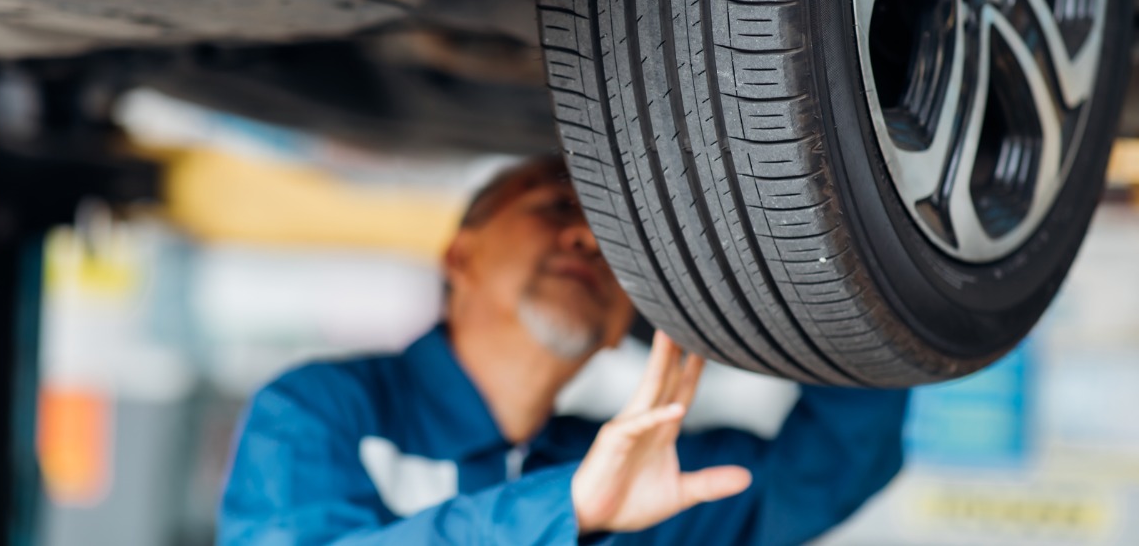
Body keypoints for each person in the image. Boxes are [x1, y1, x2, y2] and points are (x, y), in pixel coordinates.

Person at [218, 155, 909, 545]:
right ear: (460, 255)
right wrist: (568, 510)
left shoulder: (626, 470)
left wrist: (841, 252)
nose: (586, 239)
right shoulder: (318, 413)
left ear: (619, 331)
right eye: (554, 206)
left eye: (617, 243)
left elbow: (823, 475)